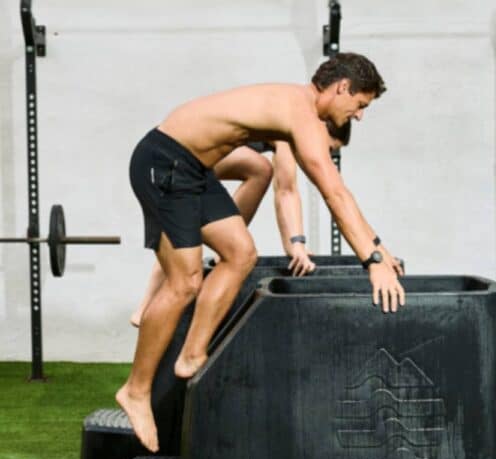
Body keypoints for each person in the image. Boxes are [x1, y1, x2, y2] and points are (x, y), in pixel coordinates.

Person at [117, 52, 405, 452]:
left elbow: (310, 188)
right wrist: (372, 264)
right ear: (343, 87)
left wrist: (379, 248)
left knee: (240, 253)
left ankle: (191, 356)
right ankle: (135, 389)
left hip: (195, 171)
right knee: (184, 282)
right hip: (164, 161)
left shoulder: (295, 112)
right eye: (360, 105)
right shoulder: (299, 113)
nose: (359, 116)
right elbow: (334, 191)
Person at [129, 120, 352, 328]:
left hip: (183, 160)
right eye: (326, 149)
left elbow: (284, 187)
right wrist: (297, 244)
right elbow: (286, 189)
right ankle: (146, 307)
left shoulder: (283, 132)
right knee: (258, 169)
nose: (323, 158)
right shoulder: (291, 129)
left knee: (257, 171)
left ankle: (221, 249)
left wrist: (293, 246)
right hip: (175, 156)